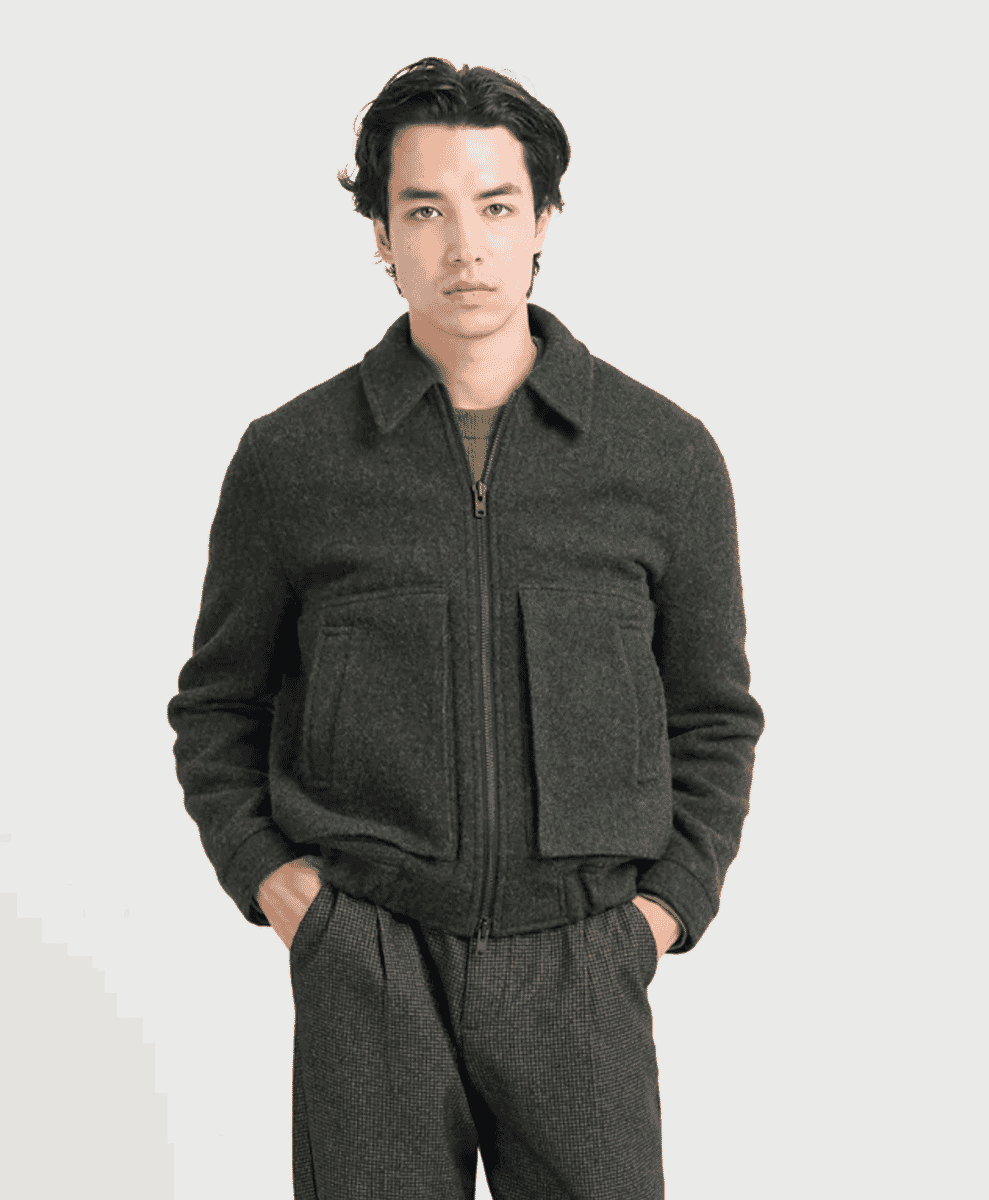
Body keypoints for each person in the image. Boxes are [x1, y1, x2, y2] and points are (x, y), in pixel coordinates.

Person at [167, 56, 764, 1200]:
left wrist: (659, 912)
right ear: (380, 237)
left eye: (493, 207)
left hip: (581, 964)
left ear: (542, 222)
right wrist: (282, 890)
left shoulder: (661, 458)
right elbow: (217, 707)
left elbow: (710, 715)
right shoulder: (292, 461)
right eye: (424, 211)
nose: (463, 248)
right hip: (369, 965)